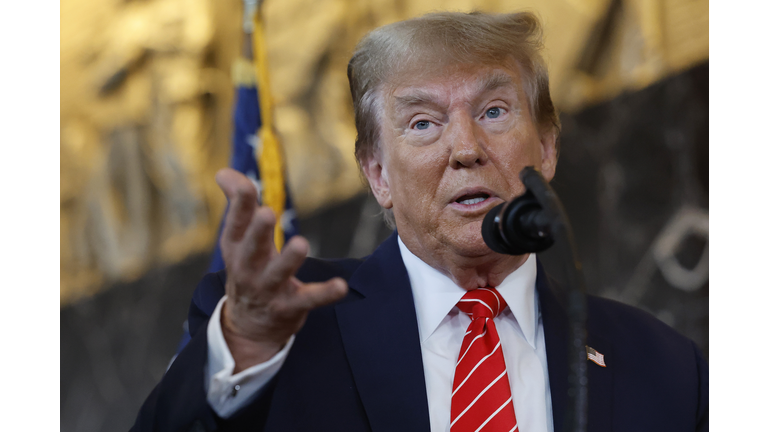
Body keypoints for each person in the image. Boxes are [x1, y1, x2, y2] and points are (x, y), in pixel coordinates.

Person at [132, 11, 708, 432]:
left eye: (493, 111)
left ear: (548, 148)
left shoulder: (665, 366)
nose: (466, 148)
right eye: (423, 123)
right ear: (377, 174)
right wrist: (244, 345)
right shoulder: (285, 335)